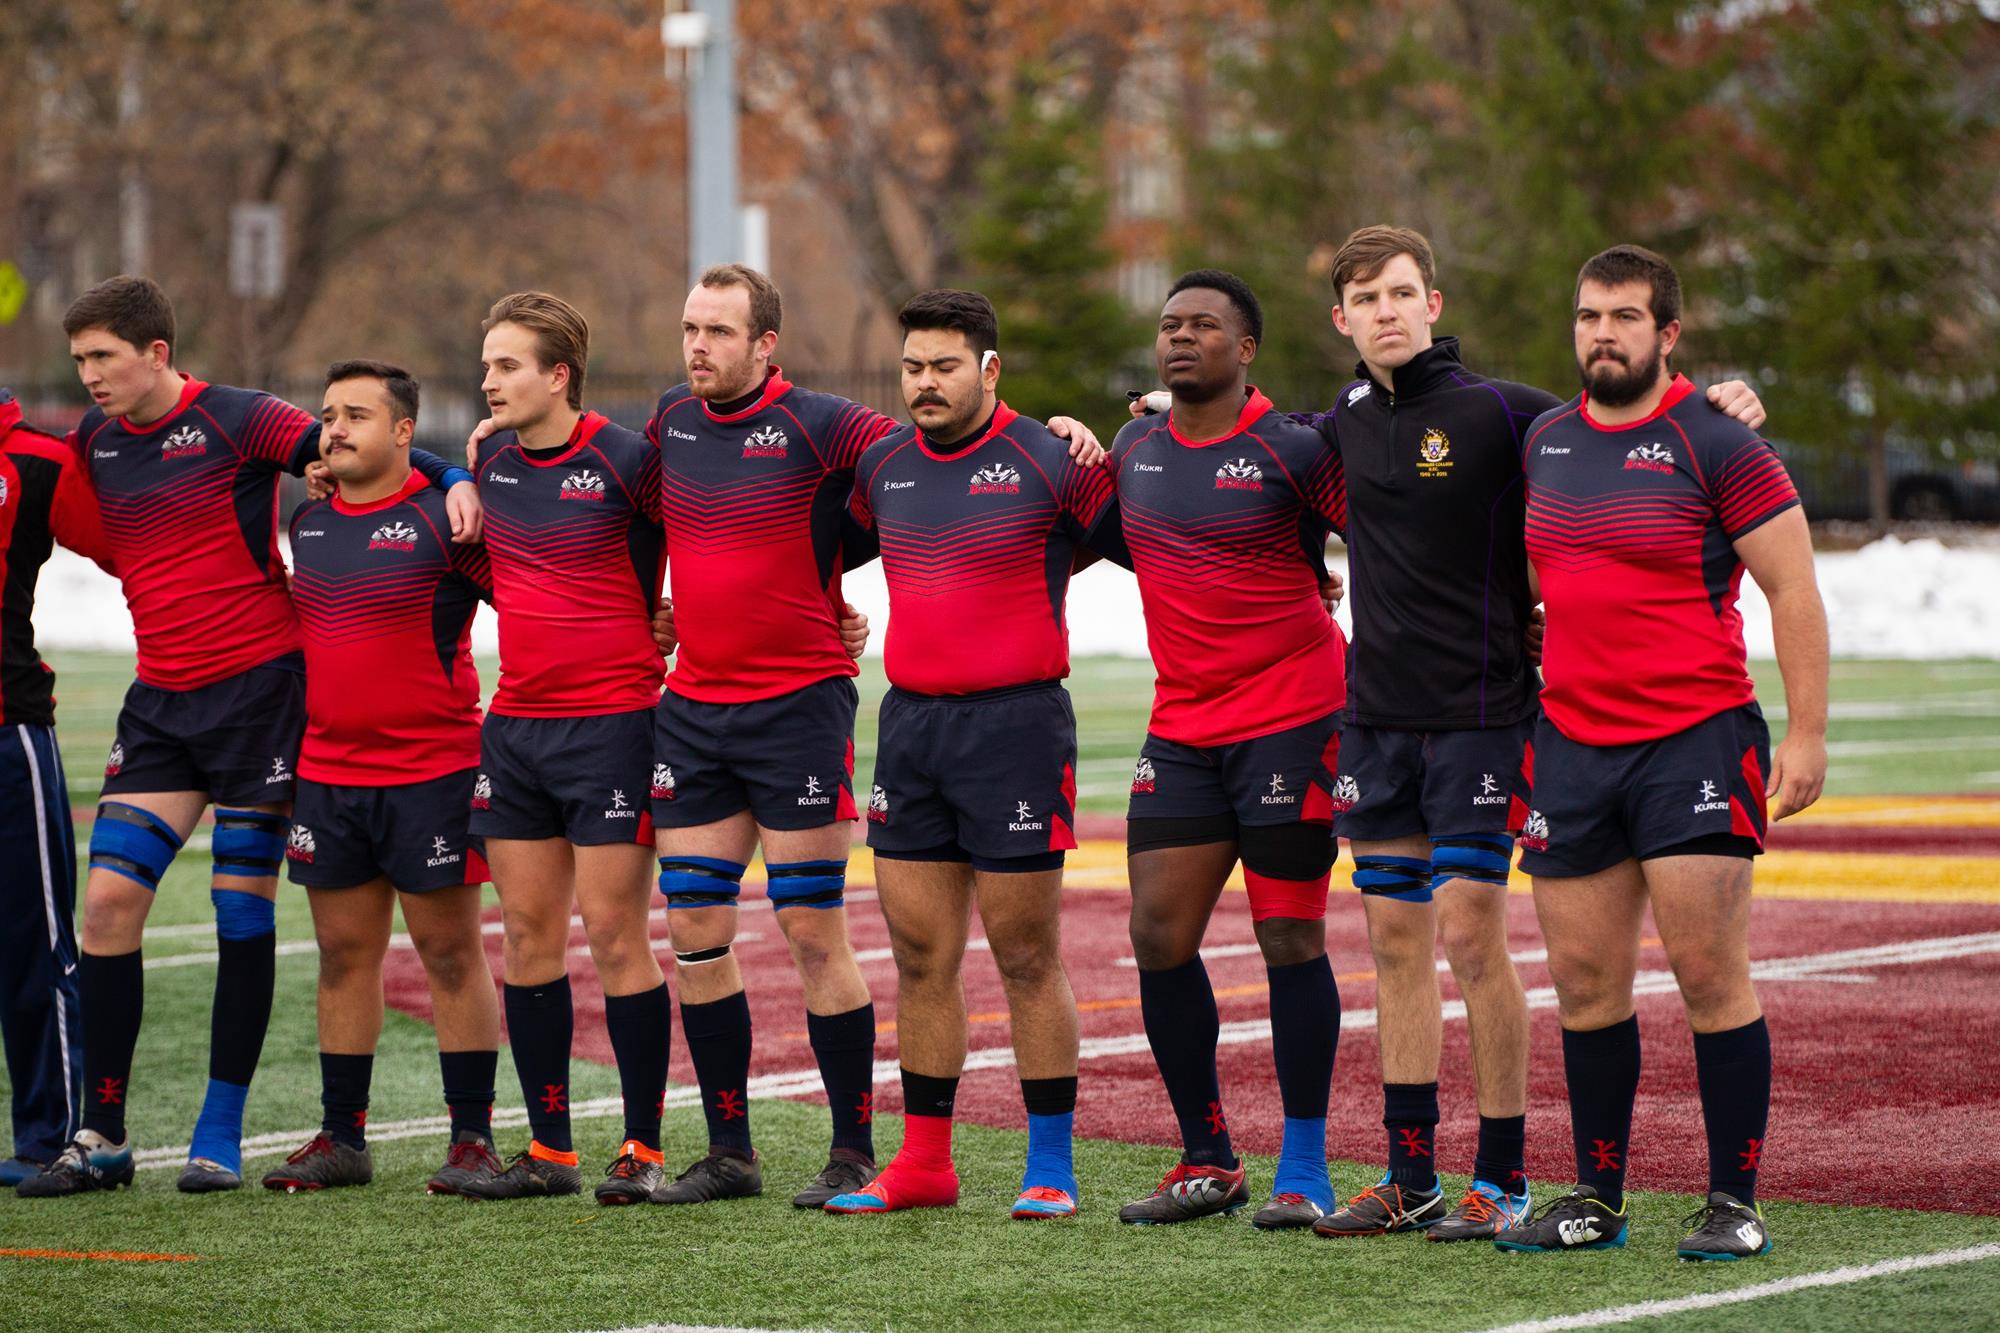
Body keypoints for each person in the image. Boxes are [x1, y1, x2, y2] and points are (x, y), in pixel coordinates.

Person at [1301, 227, 1767, 1242]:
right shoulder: (1340, 418)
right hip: (1375, 717)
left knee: (1471, 935)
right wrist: (1133, 416)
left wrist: (1724, 402)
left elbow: (1615, 423)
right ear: (1341, 319)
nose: (1385, 311)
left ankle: (1501, 1177)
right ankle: (1409, 1176)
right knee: (1392, 942)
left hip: (1483, 714)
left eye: (1401, 292)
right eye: (1366, 299)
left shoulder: (1506, 412)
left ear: (1432, 302)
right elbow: (1248, 443)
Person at [20, 277, 475, 1197]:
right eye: (79, 360)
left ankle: (218, 1130)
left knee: (239, 910)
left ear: (156, 352)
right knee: (106, 907)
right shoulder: (94, 442)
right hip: (161, 703)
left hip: (264, 696)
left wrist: (456, 476)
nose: (90, 375)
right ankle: (102, 1131)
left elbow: (360, 445)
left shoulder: (238, 417)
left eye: (103, 356)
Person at [1492, 244, 1826, 1261]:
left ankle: (1733, 1200)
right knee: (1585, 982)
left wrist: (1806, 732)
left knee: (1708, 975)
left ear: (1667, 333)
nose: (1602, 333)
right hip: (1570, 747)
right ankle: (1596, 1196)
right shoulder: (1545, 440)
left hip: (1695, 740)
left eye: (1624, 317)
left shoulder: (1718, 440)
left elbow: (1793, 589)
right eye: (1588, 315)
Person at [820, 290, 1116, 1220]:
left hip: (1017, 730)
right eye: (912, 366)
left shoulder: (1050, 458)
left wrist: (1309, 577)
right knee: (919, 955)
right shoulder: (883, 464)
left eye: (944, 366)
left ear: (989, 369)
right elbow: (806, 551)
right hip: (912, 730)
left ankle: (1050, 1164)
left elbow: (1161, 538)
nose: (925, 383)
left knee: (1025, 953)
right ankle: (924, 1164)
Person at [1110, 271, 1350, 1230]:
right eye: (1170, 324)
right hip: (1182, 726)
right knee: (1157, 936)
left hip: (1295, 713)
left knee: (1288, 936)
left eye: (1203, 325)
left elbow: (1397, 533)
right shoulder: (1132, 447)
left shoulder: (1296, 448)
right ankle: (1208, 1157)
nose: (1180, 337)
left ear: (1245, 348)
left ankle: (1305, 1166)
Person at [256, 361, 504, 1194]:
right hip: (328, 776)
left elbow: (536, 599)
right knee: (341, 954)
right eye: (328, 414)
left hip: (434, 772)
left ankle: (472, 1138)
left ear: (403, 431)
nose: (334, 428)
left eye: (356, 414)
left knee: (449, 953)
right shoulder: (310, 519)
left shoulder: (448, 520)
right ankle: (343, 1137)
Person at [453, 293, 675, 1204]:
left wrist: (678, 616)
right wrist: (452, 473)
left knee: (617, 934)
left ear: (559, 374)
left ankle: (643, 1146)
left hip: (615, 725)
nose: (488, 380)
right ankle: (549, 1150)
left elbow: (717, 537)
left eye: (506, 365)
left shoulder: (629, 459)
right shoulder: (490, 459)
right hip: (515, 730)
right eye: (486, 364)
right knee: (527, 937)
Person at [0, 388, 114, 1185]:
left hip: (8, 730)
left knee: (35, 945)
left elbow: (133, 547)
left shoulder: (38, 460)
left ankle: (49, 1137)